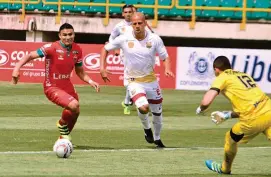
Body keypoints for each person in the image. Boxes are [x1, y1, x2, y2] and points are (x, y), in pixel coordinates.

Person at [12, 23, 100, 142]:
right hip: (52, 86)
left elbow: (80, 71)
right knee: (74, 105)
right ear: (59, 35)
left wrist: (90, 81)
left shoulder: (77, 50)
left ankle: (63, 139)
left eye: (70, 34)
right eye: (64, 35)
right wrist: (16, 69)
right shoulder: (51, 47)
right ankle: (61, 123)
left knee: (76, 111)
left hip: (67, 85)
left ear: (74, 35)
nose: (68, 37)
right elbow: (30, 56)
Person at [100, 12, 174, 148]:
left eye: (140, 23)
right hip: (133, 80)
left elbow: (165, 56)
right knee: (143, 107)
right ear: (132, 25)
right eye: (134, 23)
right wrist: (102, 68)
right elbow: (105, 49)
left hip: (151, 81)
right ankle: (147, 129)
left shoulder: (155, 39)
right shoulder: (124, 38)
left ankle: (157, 138)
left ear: (145, 23)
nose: (137, 26)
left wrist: (167, 68)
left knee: (157, 113)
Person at [196, 56, 271, 174]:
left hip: (253, 119)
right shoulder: (243, 74)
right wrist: (228, 115)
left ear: (216, 69)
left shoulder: (222, 77)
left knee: (230, 138)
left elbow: (206, 101)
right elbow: (252, 103)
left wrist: (201, 108)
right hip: (269, 110)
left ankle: (225, 169)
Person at [109, 4, 154, 115]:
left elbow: (152, 36)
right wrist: (115, 48)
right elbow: (111, 37)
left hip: (141, 55)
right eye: (126, 12)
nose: (128, 14)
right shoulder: (119, 26)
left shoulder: (142, 24)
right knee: (131, 80)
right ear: (123, 14)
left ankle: (127, 102)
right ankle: (130, 102)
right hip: (127, 56)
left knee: (134, 80)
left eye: (130, 12)